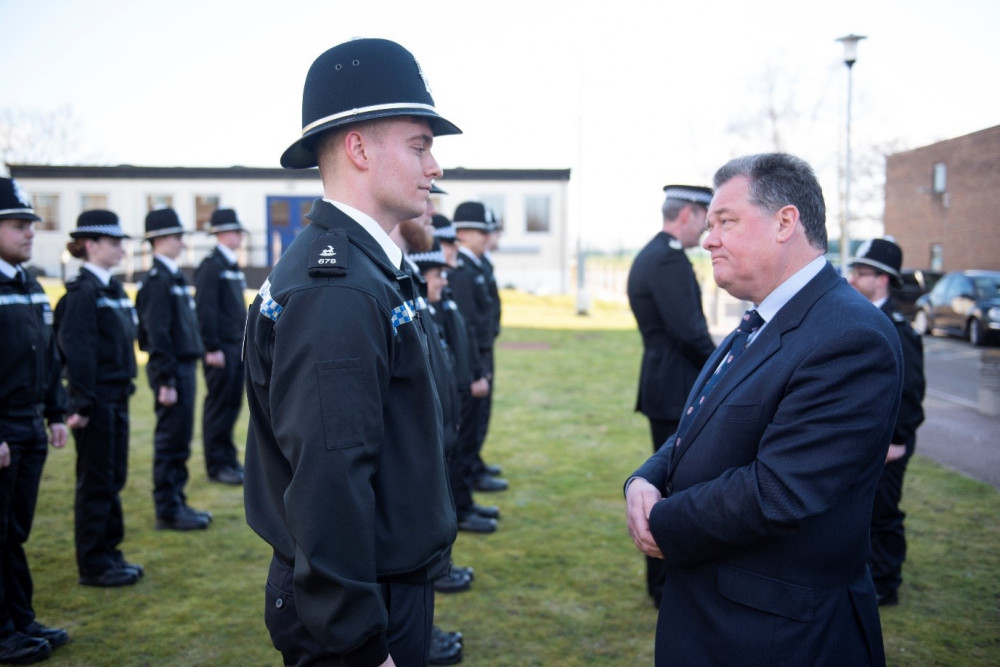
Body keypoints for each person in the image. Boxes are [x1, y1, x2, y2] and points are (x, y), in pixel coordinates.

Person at [624, 153, 903, 666]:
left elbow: (779, 491)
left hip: (775, 636)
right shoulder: (763, 317)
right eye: (708, 225)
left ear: (785, 222)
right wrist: (644, 478)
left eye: (725, 221)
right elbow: (703, 421)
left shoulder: (849, 336)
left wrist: (662, 519)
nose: (708, 239)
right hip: (719, 615)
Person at [243, 38, 461, 666]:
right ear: (359, 148)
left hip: (375, 578)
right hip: (356, 599)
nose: (435, 166)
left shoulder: (363, 268)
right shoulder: (336, 290)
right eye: (420, 146)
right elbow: (328, 481)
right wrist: (360, 642)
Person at [625, 183, 717, 607]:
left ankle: (662, 582)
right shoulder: (668, 260)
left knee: (666, 485)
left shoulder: (655, 253)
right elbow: (689, 332)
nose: (708, 227)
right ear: (688, 215)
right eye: (706, 217)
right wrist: (726, 366)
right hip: (676, 383)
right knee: (669, 488)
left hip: (665, 381)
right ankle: (664, 585)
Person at [0, 177, 69, 663]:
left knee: (14, 532)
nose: (29, 232)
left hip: (30, 426)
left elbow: (47, 358)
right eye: (19, 224)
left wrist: (56, 412)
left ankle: (20, 619)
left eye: (30, 224)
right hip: (3, 430)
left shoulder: (31, 285)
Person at [55, 210, 143, 588]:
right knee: (96, 481)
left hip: (117, 397)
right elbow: (79, 352)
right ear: (90, 245)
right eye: (113, 242)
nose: (121, 248)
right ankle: (94, 563)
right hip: (97, 402)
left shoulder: (113, 289)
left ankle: (109, 552)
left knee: (113, 477)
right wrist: (81, 404)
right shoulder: (83, 293)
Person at [848, 237, 926, 607]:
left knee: (884, 512)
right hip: (870, 440)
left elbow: (910, 392)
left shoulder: (896, 327)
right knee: (866, 509)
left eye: (860, 273)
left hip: (889, 444)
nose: (852, 279)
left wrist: (897, 440)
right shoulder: (868, 318)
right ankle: (869, 572)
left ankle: (885, 582)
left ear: (882, 279)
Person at [135, 208, 210, 531]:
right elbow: (157, 335)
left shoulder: (176, 277)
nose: (182, 243)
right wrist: (165, 379)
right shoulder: (157, 282)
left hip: (184, 367)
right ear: (161, 240)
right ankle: (167, 508)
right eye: (178, 237)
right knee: (170, 440)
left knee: (179, 440)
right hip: (172, 371)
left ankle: (176, 501)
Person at [449, 202, 508, 493]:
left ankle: (473, 468)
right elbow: (468, 326)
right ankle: (467, 476)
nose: (488, 237)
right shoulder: (461, 270)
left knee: (480, 416)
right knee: (470, 421)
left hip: (483, 351)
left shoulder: (475, 264)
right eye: (481, 232)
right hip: (474, 356)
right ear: (463, 232)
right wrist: (476, 369)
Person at [194, 209, 248, 486]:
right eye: (236, 231)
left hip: (235, 346)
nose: (240, 237)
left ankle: (228, 460)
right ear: (223, 234)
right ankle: (217, 465)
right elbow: (206, 309)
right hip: (220, 350)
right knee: (218, 407)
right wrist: (211, 347)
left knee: (231, 406)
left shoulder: (231, 265)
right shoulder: (211, 266)